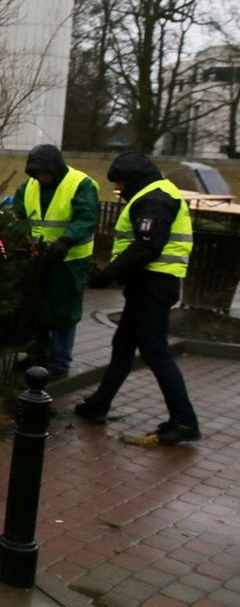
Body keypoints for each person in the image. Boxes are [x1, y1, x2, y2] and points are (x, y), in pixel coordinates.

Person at [75, 151, 199, 444]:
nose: (117, 190)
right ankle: (99, 404)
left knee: (155, 351)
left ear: (133, 179)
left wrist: (106, 275)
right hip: (149, 284)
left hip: (153, 285)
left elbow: (146, 247)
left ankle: (184, 421)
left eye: (119, 183)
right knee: (124, 345)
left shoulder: (153, 199)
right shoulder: (153, 194)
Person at [12, 144, 99, 377]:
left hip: (70, 259)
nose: (41, 178)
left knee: (63, 311)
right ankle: (36, 355)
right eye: (37, 174)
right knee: (36, 306)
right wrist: (25, 236)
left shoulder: (81, 185)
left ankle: (59, 362)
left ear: (56, 169)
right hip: (40, 257)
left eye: (45, 173)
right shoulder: (30, 186)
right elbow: (17, 213)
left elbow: (86, 217)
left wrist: (66, 241)